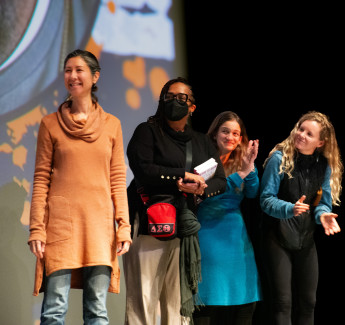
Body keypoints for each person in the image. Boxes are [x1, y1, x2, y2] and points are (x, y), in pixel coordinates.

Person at [28, 49, 132, 324]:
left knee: (97, 310)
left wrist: (124, 226)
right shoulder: (49, 124)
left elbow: (118, 180)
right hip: (61, 226)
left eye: (79, 70)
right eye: (67, 70)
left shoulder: (112, 125)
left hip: (99, 228)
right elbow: (41, 179)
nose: (72, 76)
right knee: (54, 310)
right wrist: (37, 227)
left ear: (95, 76)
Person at [124, 77, 227, 325]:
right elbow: (143, 169)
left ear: (192, 107)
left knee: (176, 305)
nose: (174, 102)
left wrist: (200, 188)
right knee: (143, 300)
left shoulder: (202, 142)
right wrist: (181, 176)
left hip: (183, 227)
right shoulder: (147, 131)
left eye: (182, 98)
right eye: (169, 97)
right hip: (150, 223)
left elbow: (220, 181)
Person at [259, 111, 343, 325]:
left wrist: (323, 214)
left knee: (309, 302)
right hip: (277, 237)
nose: (301, 135)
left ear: (320, 142)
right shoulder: (279, 158)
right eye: (300, 129)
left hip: (305, 239)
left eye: (309, 133)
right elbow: (266, 199)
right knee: (283, 302)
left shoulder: (323, 165)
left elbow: (322, 202)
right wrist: (290, 208)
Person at [192, 111, 262, 325]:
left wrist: (249, 168)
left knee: (244, 303)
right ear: (214, 134)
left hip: (237, 240)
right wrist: (238, 175)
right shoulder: (202, 161)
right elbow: (200, 194)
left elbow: (252, 192)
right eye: (225, 131)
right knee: (208, 301)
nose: (230, 137)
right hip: (208, 237)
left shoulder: (242, 160)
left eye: (236, 133)